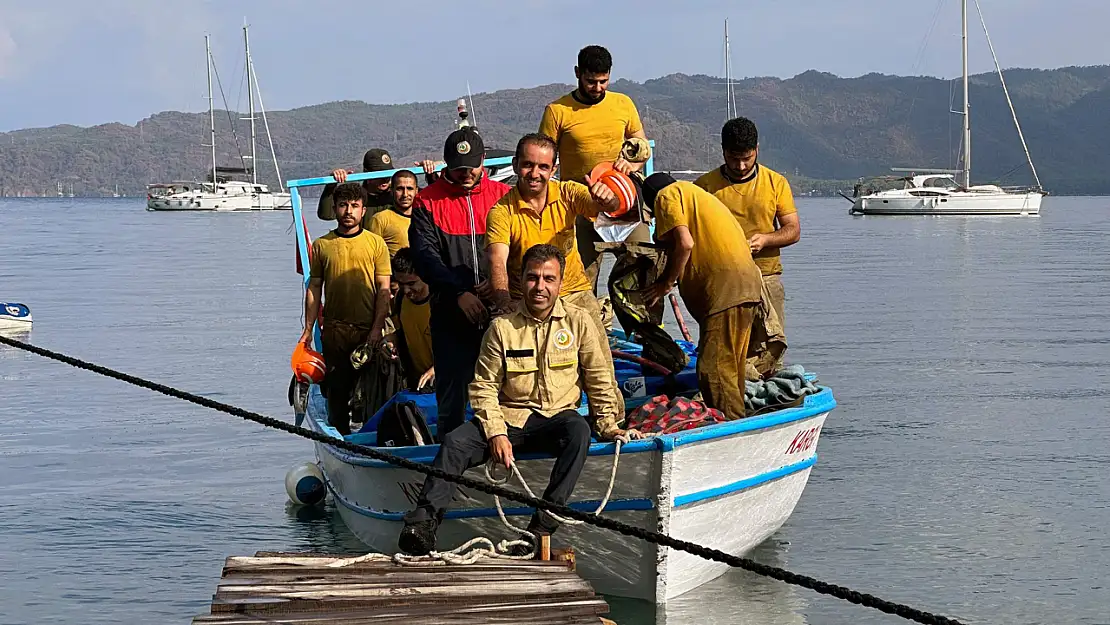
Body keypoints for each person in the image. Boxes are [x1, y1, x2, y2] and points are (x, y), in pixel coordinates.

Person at [398, 244, 641, 556]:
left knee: (579, 431)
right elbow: (483, 387)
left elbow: (599, 379)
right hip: (509, 419)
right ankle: (423, 524)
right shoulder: (502, 328)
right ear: (522, 280)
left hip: (555, 419)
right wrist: (496, 433)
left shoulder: (580, 323)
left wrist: (609, 426)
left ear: (560, 283)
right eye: (533, 278)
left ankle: (541, 525)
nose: (540, 287)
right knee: (455, 442)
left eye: (548, 279)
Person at [486, 132, 626, 414]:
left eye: (543, 167)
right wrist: (504, 304)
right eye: (527, 165)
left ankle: (613, 426)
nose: (534, 173)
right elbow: (497, 261)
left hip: (574, 292)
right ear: (515, 165)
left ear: (554, 169)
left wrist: (607, 198)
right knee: (527, 376)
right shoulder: (501, 212)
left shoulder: (568, 192)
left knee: (599, 367)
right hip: (527, 300)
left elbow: (609, 210)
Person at [408, 126, 511, 441]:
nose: (466, 173)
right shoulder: (426, 202)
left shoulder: (503, 196)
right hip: (451, 312)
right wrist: (459, 293)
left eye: (472, 166)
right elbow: (426, 258)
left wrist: (498, 284)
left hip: (500, 310)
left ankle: (511, 446)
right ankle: (449, 452)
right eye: (458, 167)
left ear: (483, 161)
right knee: (452, 392)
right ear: (446, 164)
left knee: (509, 386)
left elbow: (519, 248)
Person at [639, 173, 763, 421]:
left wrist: (666, 283)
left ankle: (729, 430)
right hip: (748, 285)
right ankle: (738, 419)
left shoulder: (667, 195)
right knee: (732, 366)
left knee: (712, 369)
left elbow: (685, 243)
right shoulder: (699, 197)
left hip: (725, 289)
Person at [538, 44, 651, 287]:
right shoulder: (557, 111)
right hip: (581, 209)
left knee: (643, 275)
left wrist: (634, 163)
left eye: (603, 81)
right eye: (591, 81)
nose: (597, 88)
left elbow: (642, 147)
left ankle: (642, 325)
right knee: (579, 284)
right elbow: (543, 160)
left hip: (626, 206)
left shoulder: (623, 104)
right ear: (577, 72)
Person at [300, 182, 392, 435]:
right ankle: (339, 440)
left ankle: (375, 440)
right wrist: (308, 330)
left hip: (368, 330)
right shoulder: (322, 245)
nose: (348, 211)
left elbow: (384, 290)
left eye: (355, 206)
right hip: (335, 330)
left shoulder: (376, 244)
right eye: (343, 205)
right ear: (335, 208)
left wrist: (376, 329)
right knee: (337, 392)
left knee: (373, 393)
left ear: (363, 210)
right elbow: (314, 288)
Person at [694, 118, 799, 331]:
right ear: (723, 151)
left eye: (747, 159)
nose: (741, 166)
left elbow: (793, 230)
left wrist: (766, 239)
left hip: (766, 277)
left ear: (757, 150)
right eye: (733, 159)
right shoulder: (704, 187)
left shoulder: (775, 182)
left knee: (771, 345)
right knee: (723, 348)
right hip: (722, 280)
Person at [390, 247, 435, 391]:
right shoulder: (400, 300)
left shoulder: (442, 302)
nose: (406, 290)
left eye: (411, 284)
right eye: (401, 284)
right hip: (418, 383)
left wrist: (439, 368)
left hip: (448, 382)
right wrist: (391, 339)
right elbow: (403, 332)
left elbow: (463, 347)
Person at [318, 148, 396, 227]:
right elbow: (326, 215)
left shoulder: (396, 196)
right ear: (367, 173)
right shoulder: (355, 196)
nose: (385, 179)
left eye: (388, 173)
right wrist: (331, 184)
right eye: (380, 175)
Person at [369, 169, 418, 258]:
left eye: (410, 188)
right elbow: (372, 255)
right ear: (392, 191)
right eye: (400, 189)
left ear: (416, 191)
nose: (405, 194)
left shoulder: (424, 218)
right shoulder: (380, 219)